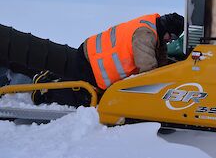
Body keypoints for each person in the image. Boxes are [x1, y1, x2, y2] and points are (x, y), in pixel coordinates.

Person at [0, 13, 184, 107]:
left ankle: (50, 79)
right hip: (94, 63)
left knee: (83, 86)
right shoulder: (146, 35)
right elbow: (149, 71)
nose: (171, 41)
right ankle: (43, 89)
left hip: (92, 56)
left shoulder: (155, 30)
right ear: (167, 29)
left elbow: (160, 61)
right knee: (85, 98)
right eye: (172, 37)